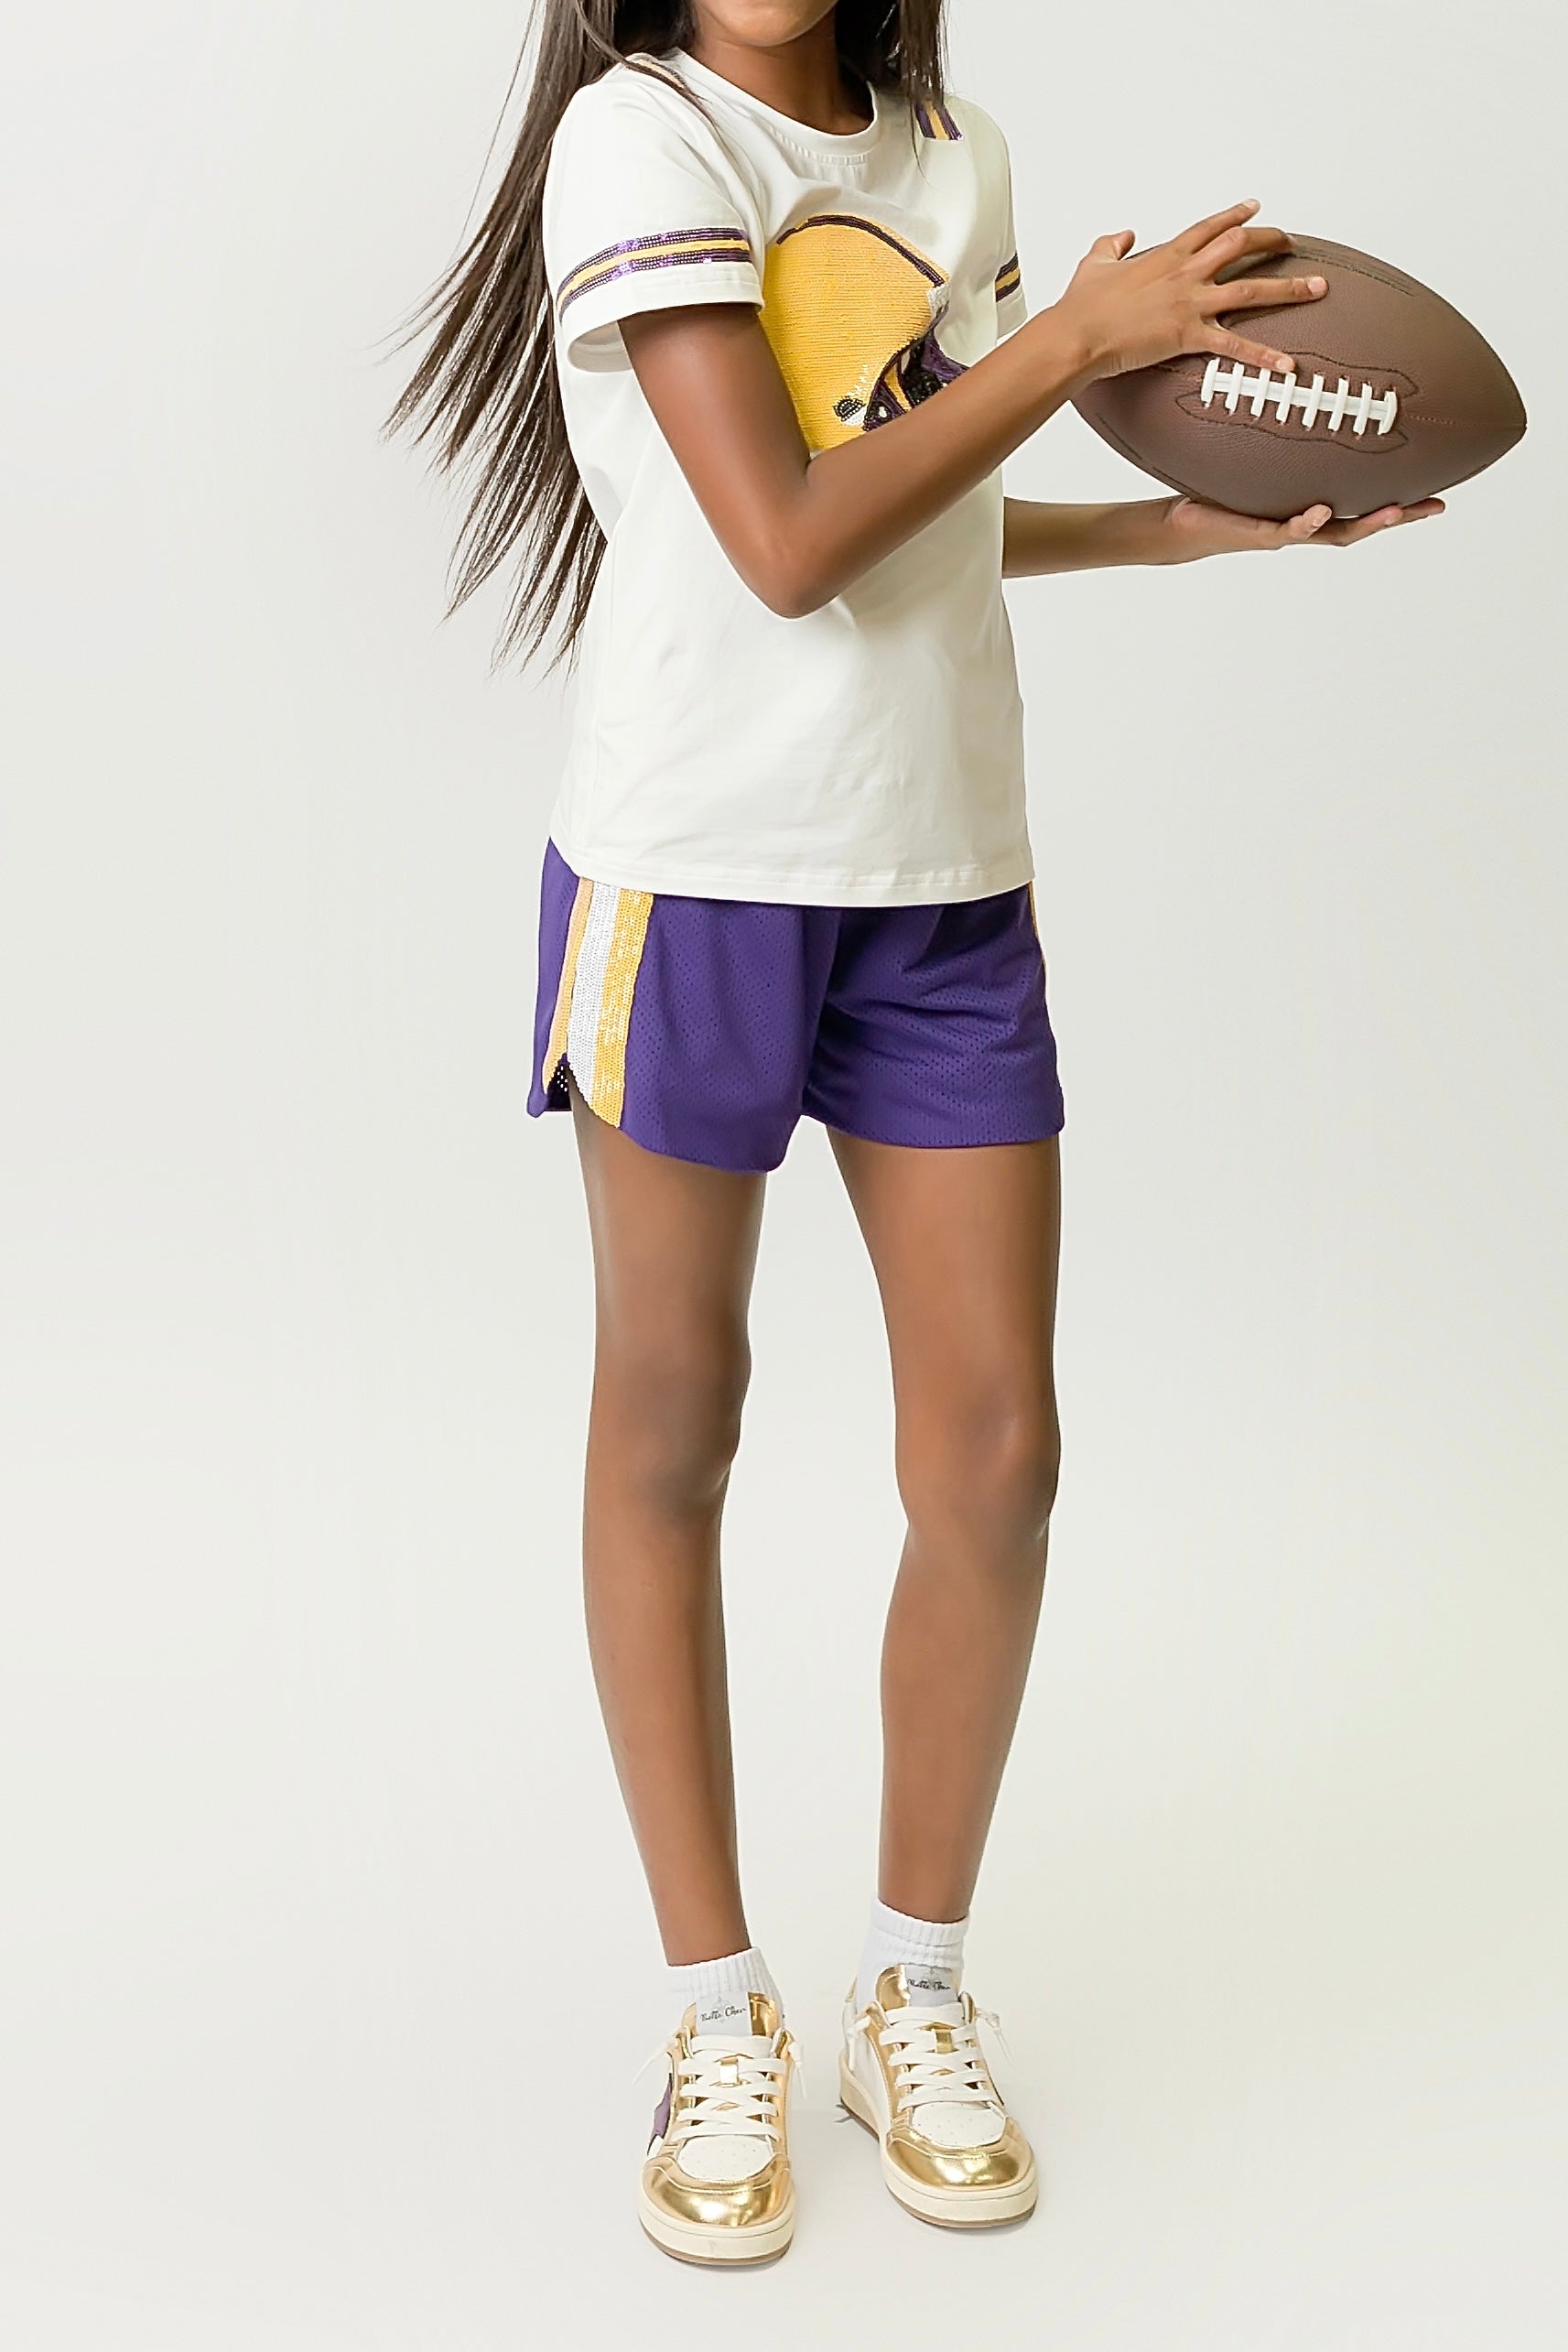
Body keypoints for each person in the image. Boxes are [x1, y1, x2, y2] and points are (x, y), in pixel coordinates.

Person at [394, 0, 1441, 2266]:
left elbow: (918, 506)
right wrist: (1071, 344)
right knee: (673, 1416)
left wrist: (1174, 529)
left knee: (993, 1454)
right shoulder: (638, 144)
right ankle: (712, 2009)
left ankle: (914, 1986)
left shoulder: (955, 155)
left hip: (942, 877)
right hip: (689, 874)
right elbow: (782, 542)